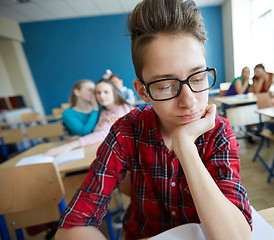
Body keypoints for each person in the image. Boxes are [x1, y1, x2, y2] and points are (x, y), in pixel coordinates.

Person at [55, 0, 252, 239]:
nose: (189, 101)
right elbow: (73, 225)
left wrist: (185, 147)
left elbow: (236, 237)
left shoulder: (219, 133)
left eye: (198, 78)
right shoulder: (126, 131)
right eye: (166, 85)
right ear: (142, 91)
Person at [45, 79, 133, 157]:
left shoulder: (120, 108)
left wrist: (72, 144)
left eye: (106, 92)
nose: (101, 96)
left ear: (114, 93)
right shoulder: (103, 110)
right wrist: (101, 123)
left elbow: (104, 133)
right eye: (98, 92)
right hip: (102, 147)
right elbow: (98, 131)